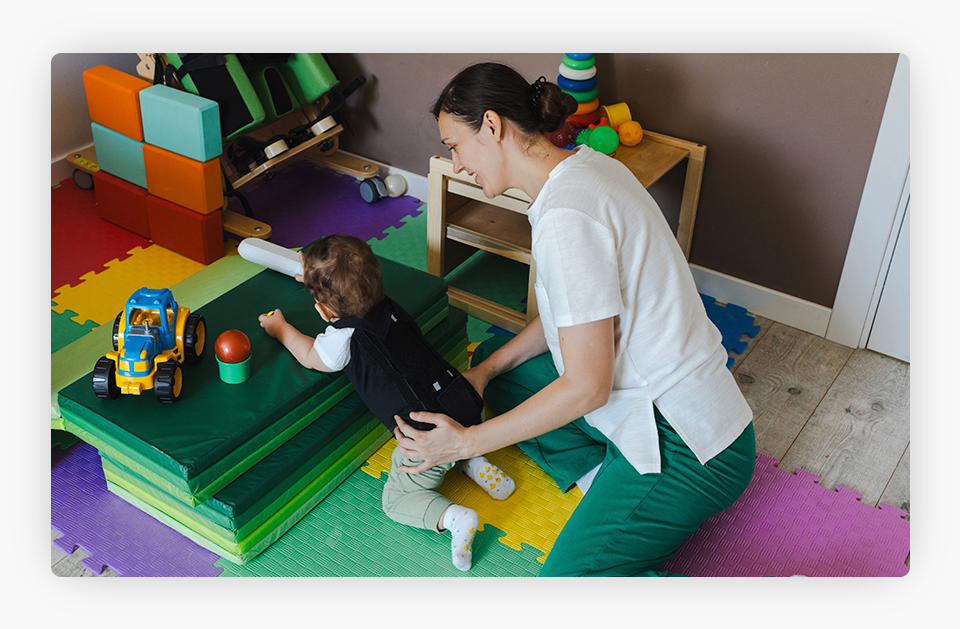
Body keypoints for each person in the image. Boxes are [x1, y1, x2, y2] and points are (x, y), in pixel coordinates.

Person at [391, 62, 757, 577]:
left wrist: (465, 443)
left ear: (492, 126)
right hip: (663, 401)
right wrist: (484, 372)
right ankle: (601, 483)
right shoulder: (584, 168)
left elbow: (588, 389)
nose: (456, 163)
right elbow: (575, 311)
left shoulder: (567, 217)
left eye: (455, 145)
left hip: (689, 443)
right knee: (500, 381)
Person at [259, 234, 515, 571]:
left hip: (427, 439)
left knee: (396, 501)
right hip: (465, 402)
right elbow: (350, 288)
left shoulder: (343, 338)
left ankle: (453, 518)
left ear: (322, 309)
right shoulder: (388, 306)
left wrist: (280, 328)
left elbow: (310, 356)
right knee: (453, 425)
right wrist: (319, 281)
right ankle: (474, 462)